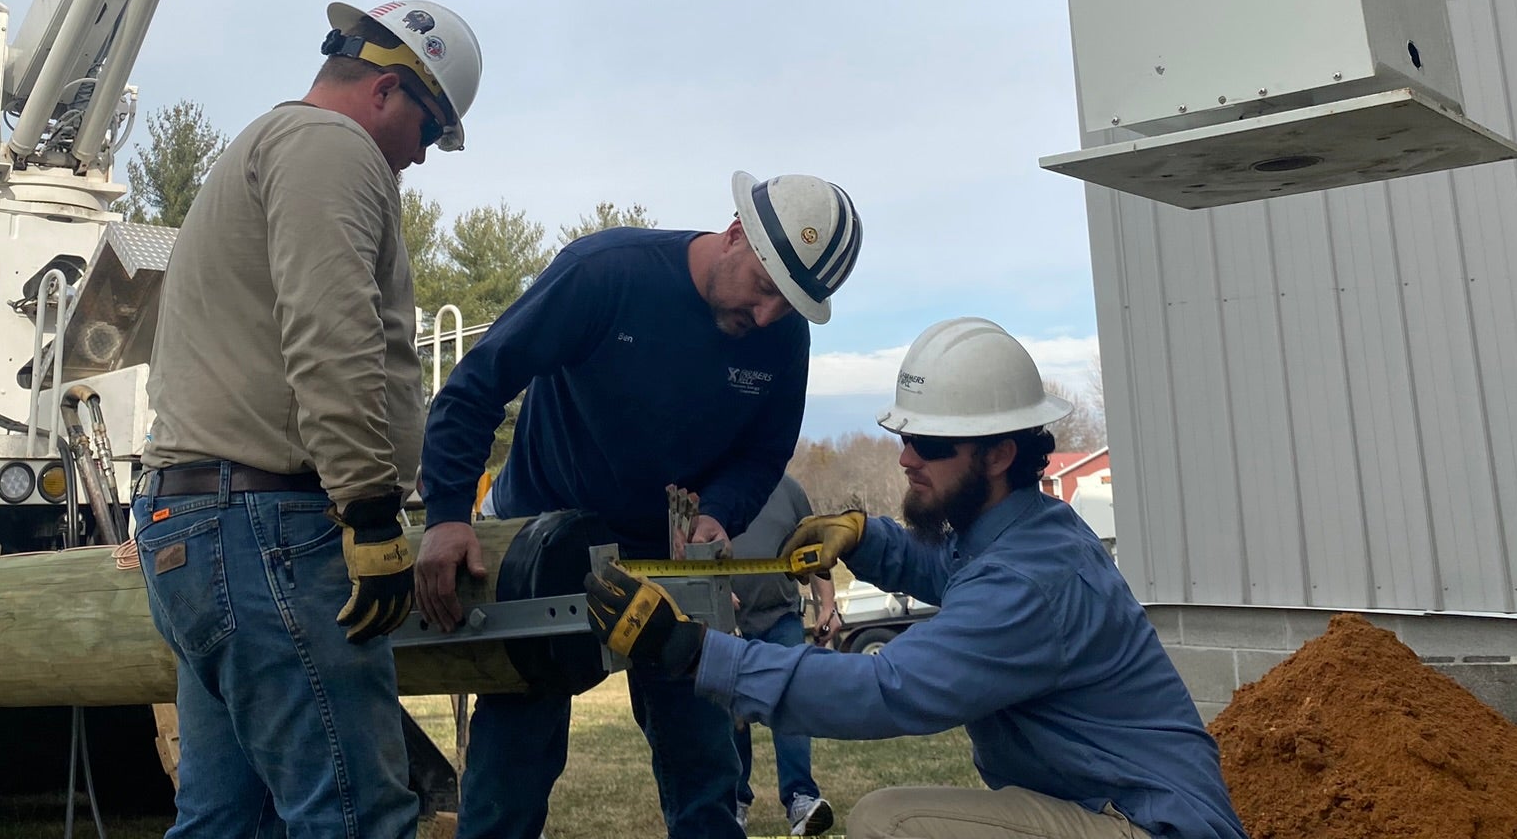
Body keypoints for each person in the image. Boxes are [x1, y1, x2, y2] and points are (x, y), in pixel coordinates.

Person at [587, 317, 1250, 839]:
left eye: (929, 445)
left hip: (1148, 826)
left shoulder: (1029, 583)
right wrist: (866, 538)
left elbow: (886, 689)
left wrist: (697, 654)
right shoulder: (1027, 533)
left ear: (999, 453)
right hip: (1120, 810)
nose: (906, 458)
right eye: (907, 437)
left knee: (891, 824)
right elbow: (947, 566)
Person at [413, 171, 864, 839]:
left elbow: (764, 455)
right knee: (514, 767)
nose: (766, 317)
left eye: (791, 305)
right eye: (766, 288)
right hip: (544, 543)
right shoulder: (606, 274)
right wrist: (449, 512)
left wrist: (718, 512)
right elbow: (478, 385)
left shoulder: (781, 337)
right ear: (735, 233)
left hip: (671, 562)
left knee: (704, 767)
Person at [131, 0, 482, 839]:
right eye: (430, 132)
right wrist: (368, 512)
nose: (421, 159)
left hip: (202, 525)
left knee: (226, 821)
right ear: (389, 91)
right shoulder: (332, 149)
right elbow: (333, 333)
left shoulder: (262, 146)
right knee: (355, 815)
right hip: (271, 530)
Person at [728, 472, 839, 836]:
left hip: (782, 618)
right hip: (726, 624)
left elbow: (814, 555)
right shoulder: (709, 488)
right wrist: (711, 591)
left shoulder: (789, 490)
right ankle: (733, 802)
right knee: (731, 715)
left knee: (792, 703)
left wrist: (828, 605)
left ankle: (801, 801)